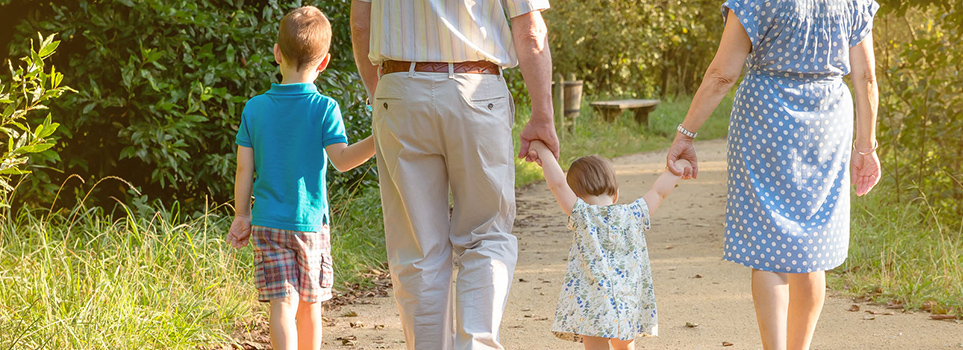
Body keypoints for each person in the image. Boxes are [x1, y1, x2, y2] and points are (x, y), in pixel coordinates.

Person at [665, 0, 882, 349]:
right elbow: (866, 78)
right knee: (814, 242)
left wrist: (685, 134)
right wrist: (866, 147)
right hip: (828, 120)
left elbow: (723, 75)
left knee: (769, 241)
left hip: (766, 115)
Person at [349, 0, 557, 348]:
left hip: (399, 88)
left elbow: (360, 23)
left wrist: (382, 93)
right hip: (476, 89)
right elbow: (531, 32)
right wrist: (542, 116)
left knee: (418, 248)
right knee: (486, 236)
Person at [227, 6, 376, 350]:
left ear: (277, 53)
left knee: (282, 304)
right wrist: (377, 140)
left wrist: (241, 215)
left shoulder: (254, 108)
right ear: (324, 62)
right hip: (309, 224)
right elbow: (341, 161)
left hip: (267, 222)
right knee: (310, 306)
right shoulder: (324, 108)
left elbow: (243, 169)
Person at [526, 141, 688, 350]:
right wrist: (680, 166)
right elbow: (659, 192)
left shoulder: (581, 213)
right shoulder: (634, 213)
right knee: (625, 346)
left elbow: (557, 184)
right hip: (626, 301)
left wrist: (542, 150)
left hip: (593, 304)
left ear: (575, 195)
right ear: (616, 194)